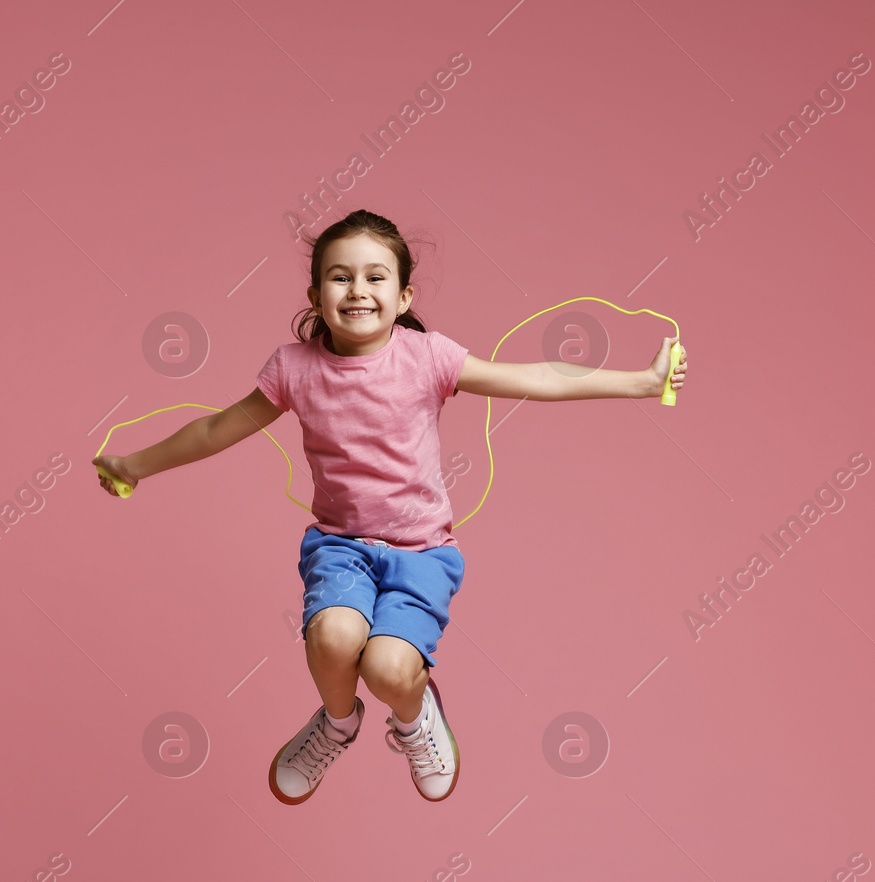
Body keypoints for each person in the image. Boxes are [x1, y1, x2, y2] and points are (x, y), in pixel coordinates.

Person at [94, 209, 687, 805]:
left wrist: (641, 380)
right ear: (315, 293)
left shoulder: (427, 359)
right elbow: (215, 429)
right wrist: (133, 466)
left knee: (387, 669)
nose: (358, 291)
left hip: (422, 554)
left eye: (376, 277)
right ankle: (337, 721)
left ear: (403, 296)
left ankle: (413, 719)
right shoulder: (293, 370)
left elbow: (535, 376)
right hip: (341, 548)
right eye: (340, 277)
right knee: (332, 638)